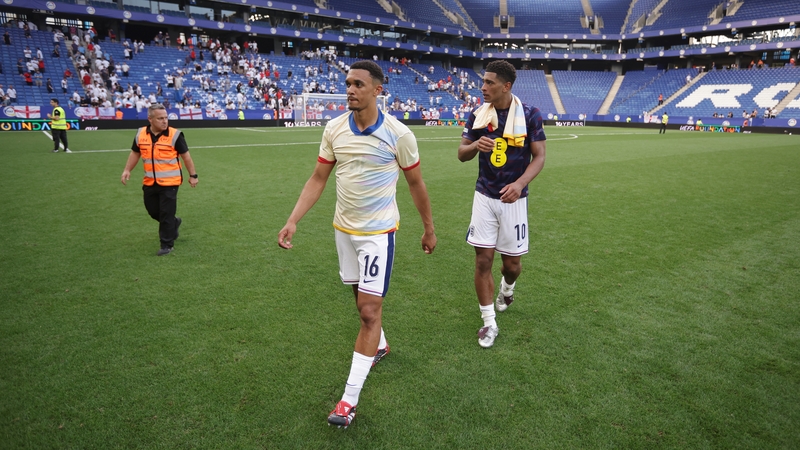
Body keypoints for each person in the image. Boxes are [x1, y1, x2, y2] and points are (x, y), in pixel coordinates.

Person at [277, 60, 436, 428]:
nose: (350, 89)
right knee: (359, 300)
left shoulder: (399, 135)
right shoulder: (334, 128)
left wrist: (428, 228)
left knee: (367, 311)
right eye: (348, 83)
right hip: (342, 231)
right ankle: (379, 344)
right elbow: (318, 178)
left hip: (378, 234)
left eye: (359, 84)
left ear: (377, 90)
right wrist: (292, 220)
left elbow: (416, 185)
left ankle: (348, 401)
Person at [457, 60, 546, 349]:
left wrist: (520, 184)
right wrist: (474, 146)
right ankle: (488, 323)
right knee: (483, 261)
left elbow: (539, 156)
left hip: (514, 200)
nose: (483, 87)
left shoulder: (530, 114)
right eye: (483, 82)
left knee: (513, 266)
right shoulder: (478, 115)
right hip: (484, 195)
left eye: (489, 83)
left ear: (506, 86)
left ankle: (508, 289)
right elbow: (461, 153)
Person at [120, 104, 199, 256]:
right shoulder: (141, 134)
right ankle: (174, 223)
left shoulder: (175, 135)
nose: (165, 121)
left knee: (166, 214)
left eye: (166, 118)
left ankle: (167, 244)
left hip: (170, 183)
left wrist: (193, 175)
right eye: (160, 118)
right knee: (153, 211)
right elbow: (135, 153)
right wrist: (127, 169)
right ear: (150, 119)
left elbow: (186, 156)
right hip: (150, 182)